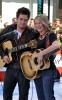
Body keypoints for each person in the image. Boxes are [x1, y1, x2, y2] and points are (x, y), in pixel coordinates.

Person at [0, 7, 39, 100]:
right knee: (6, 95)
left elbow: (38, 48)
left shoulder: (33, 33)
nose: (23, 22)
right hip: (10, 68)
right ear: (16, 19)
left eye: (25, 20)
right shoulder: (9, 29)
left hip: (25, 69)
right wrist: (4, 55)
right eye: (21, 19)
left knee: (23, 96)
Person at [33, 14, 60, 100]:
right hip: (37, 70)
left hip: (48, 70)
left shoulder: (50, 35)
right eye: (36, 23)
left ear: (45, 23)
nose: (37, 25)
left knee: (48, 97)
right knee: (40, 97)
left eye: (40, 23)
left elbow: (57, 45)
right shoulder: (36, 36)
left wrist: (41, 53)